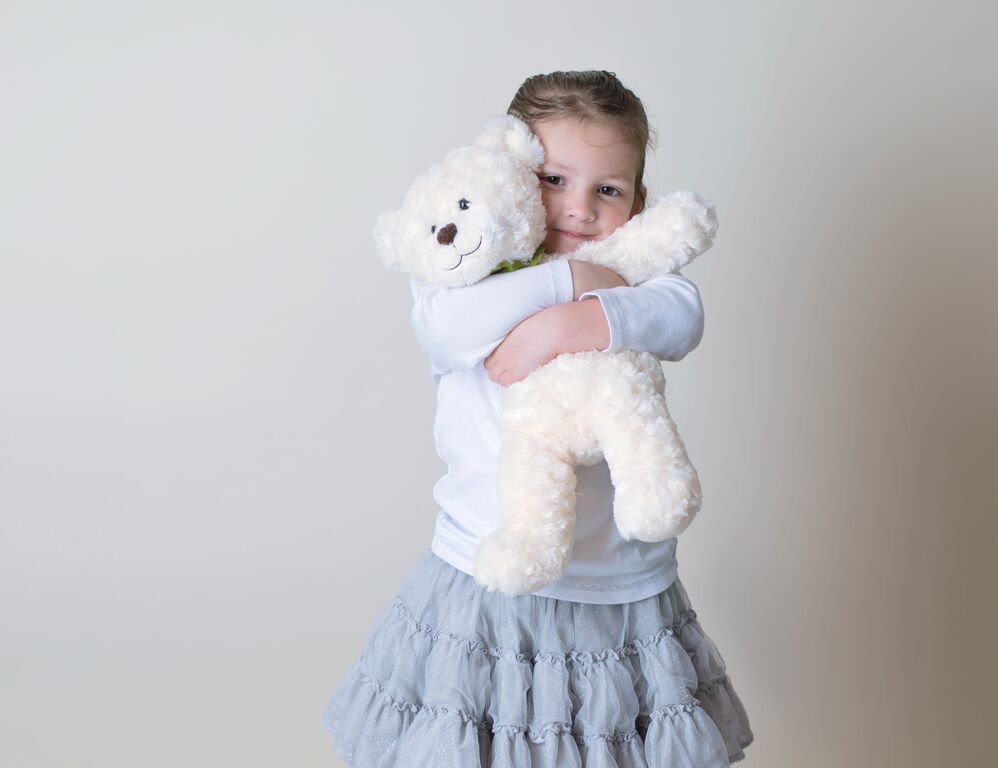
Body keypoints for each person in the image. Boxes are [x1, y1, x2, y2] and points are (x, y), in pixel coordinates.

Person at [323, 70, 753, 767]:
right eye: (555, 180)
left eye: (607, 190)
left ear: (638, 204)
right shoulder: (466, 269)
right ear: (512, 170)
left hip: (621, 588)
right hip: (487, 577)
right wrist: (566, 283)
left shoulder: (637, 272)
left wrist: (566, 326)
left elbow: (681, 316)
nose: (579, 211)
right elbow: (441, 329)